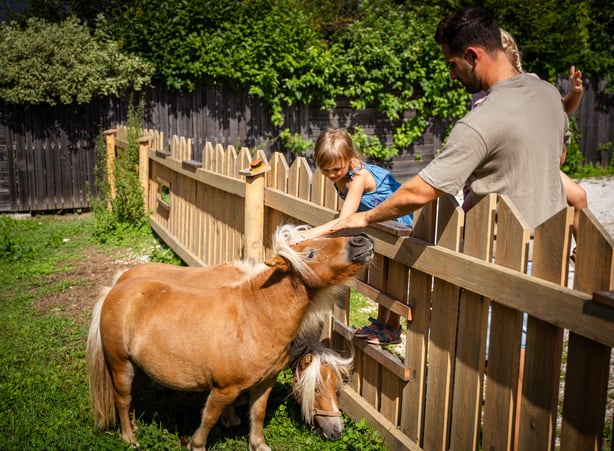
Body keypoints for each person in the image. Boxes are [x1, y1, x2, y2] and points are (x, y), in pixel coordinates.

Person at [328, 7, 568, 237]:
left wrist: (365, 218)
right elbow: (558, 158)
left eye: (453, 64)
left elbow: (421, 191)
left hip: (500, 251)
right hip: (550, 250)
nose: (452, 75)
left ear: (472, 55)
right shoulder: (549, 94)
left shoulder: (479, 122)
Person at [466, 28, 587, 247]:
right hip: (505, 165)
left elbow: (561, 108)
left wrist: (575, 93)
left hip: (538, 163)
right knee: (466, 209)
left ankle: (583, 253)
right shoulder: (481, 92)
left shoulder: (532, 83)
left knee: (579, 196)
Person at [292, 128, 413, 346]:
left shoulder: (360, 177)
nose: (331, 175)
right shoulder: (342, 174)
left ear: (350, 158)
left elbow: (343, 221)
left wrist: (309, 234)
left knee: (393, 278)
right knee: (381, 279)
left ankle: (393, 326)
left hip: (399, 226)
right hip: (381, 224)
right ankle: (382, 322)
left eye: (336, 169)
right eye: (325, 170)